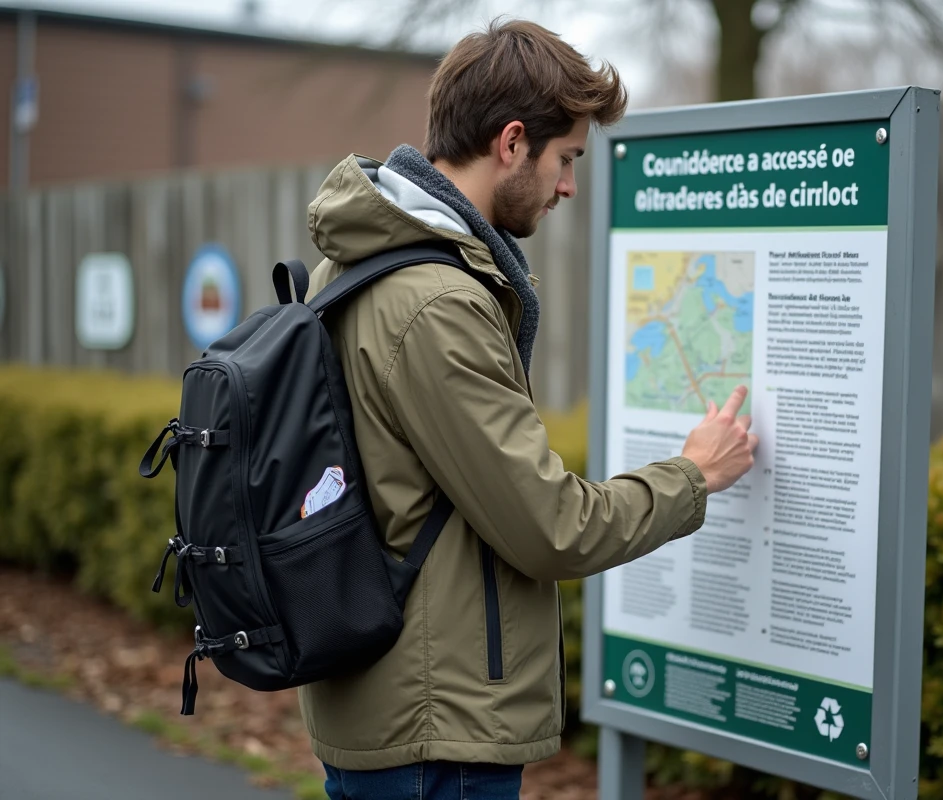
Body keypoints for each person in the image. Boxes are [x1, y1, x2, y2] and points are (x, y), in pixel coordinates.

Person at [301, 16, 758, 800]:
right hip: (434, 729)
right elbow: (550, 526)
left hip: (384, 699)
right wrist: (693, 475)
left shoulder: (356, 263)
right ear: (512, 142)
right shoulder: (437, 302)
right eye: (567, 158)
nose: (571, 186)